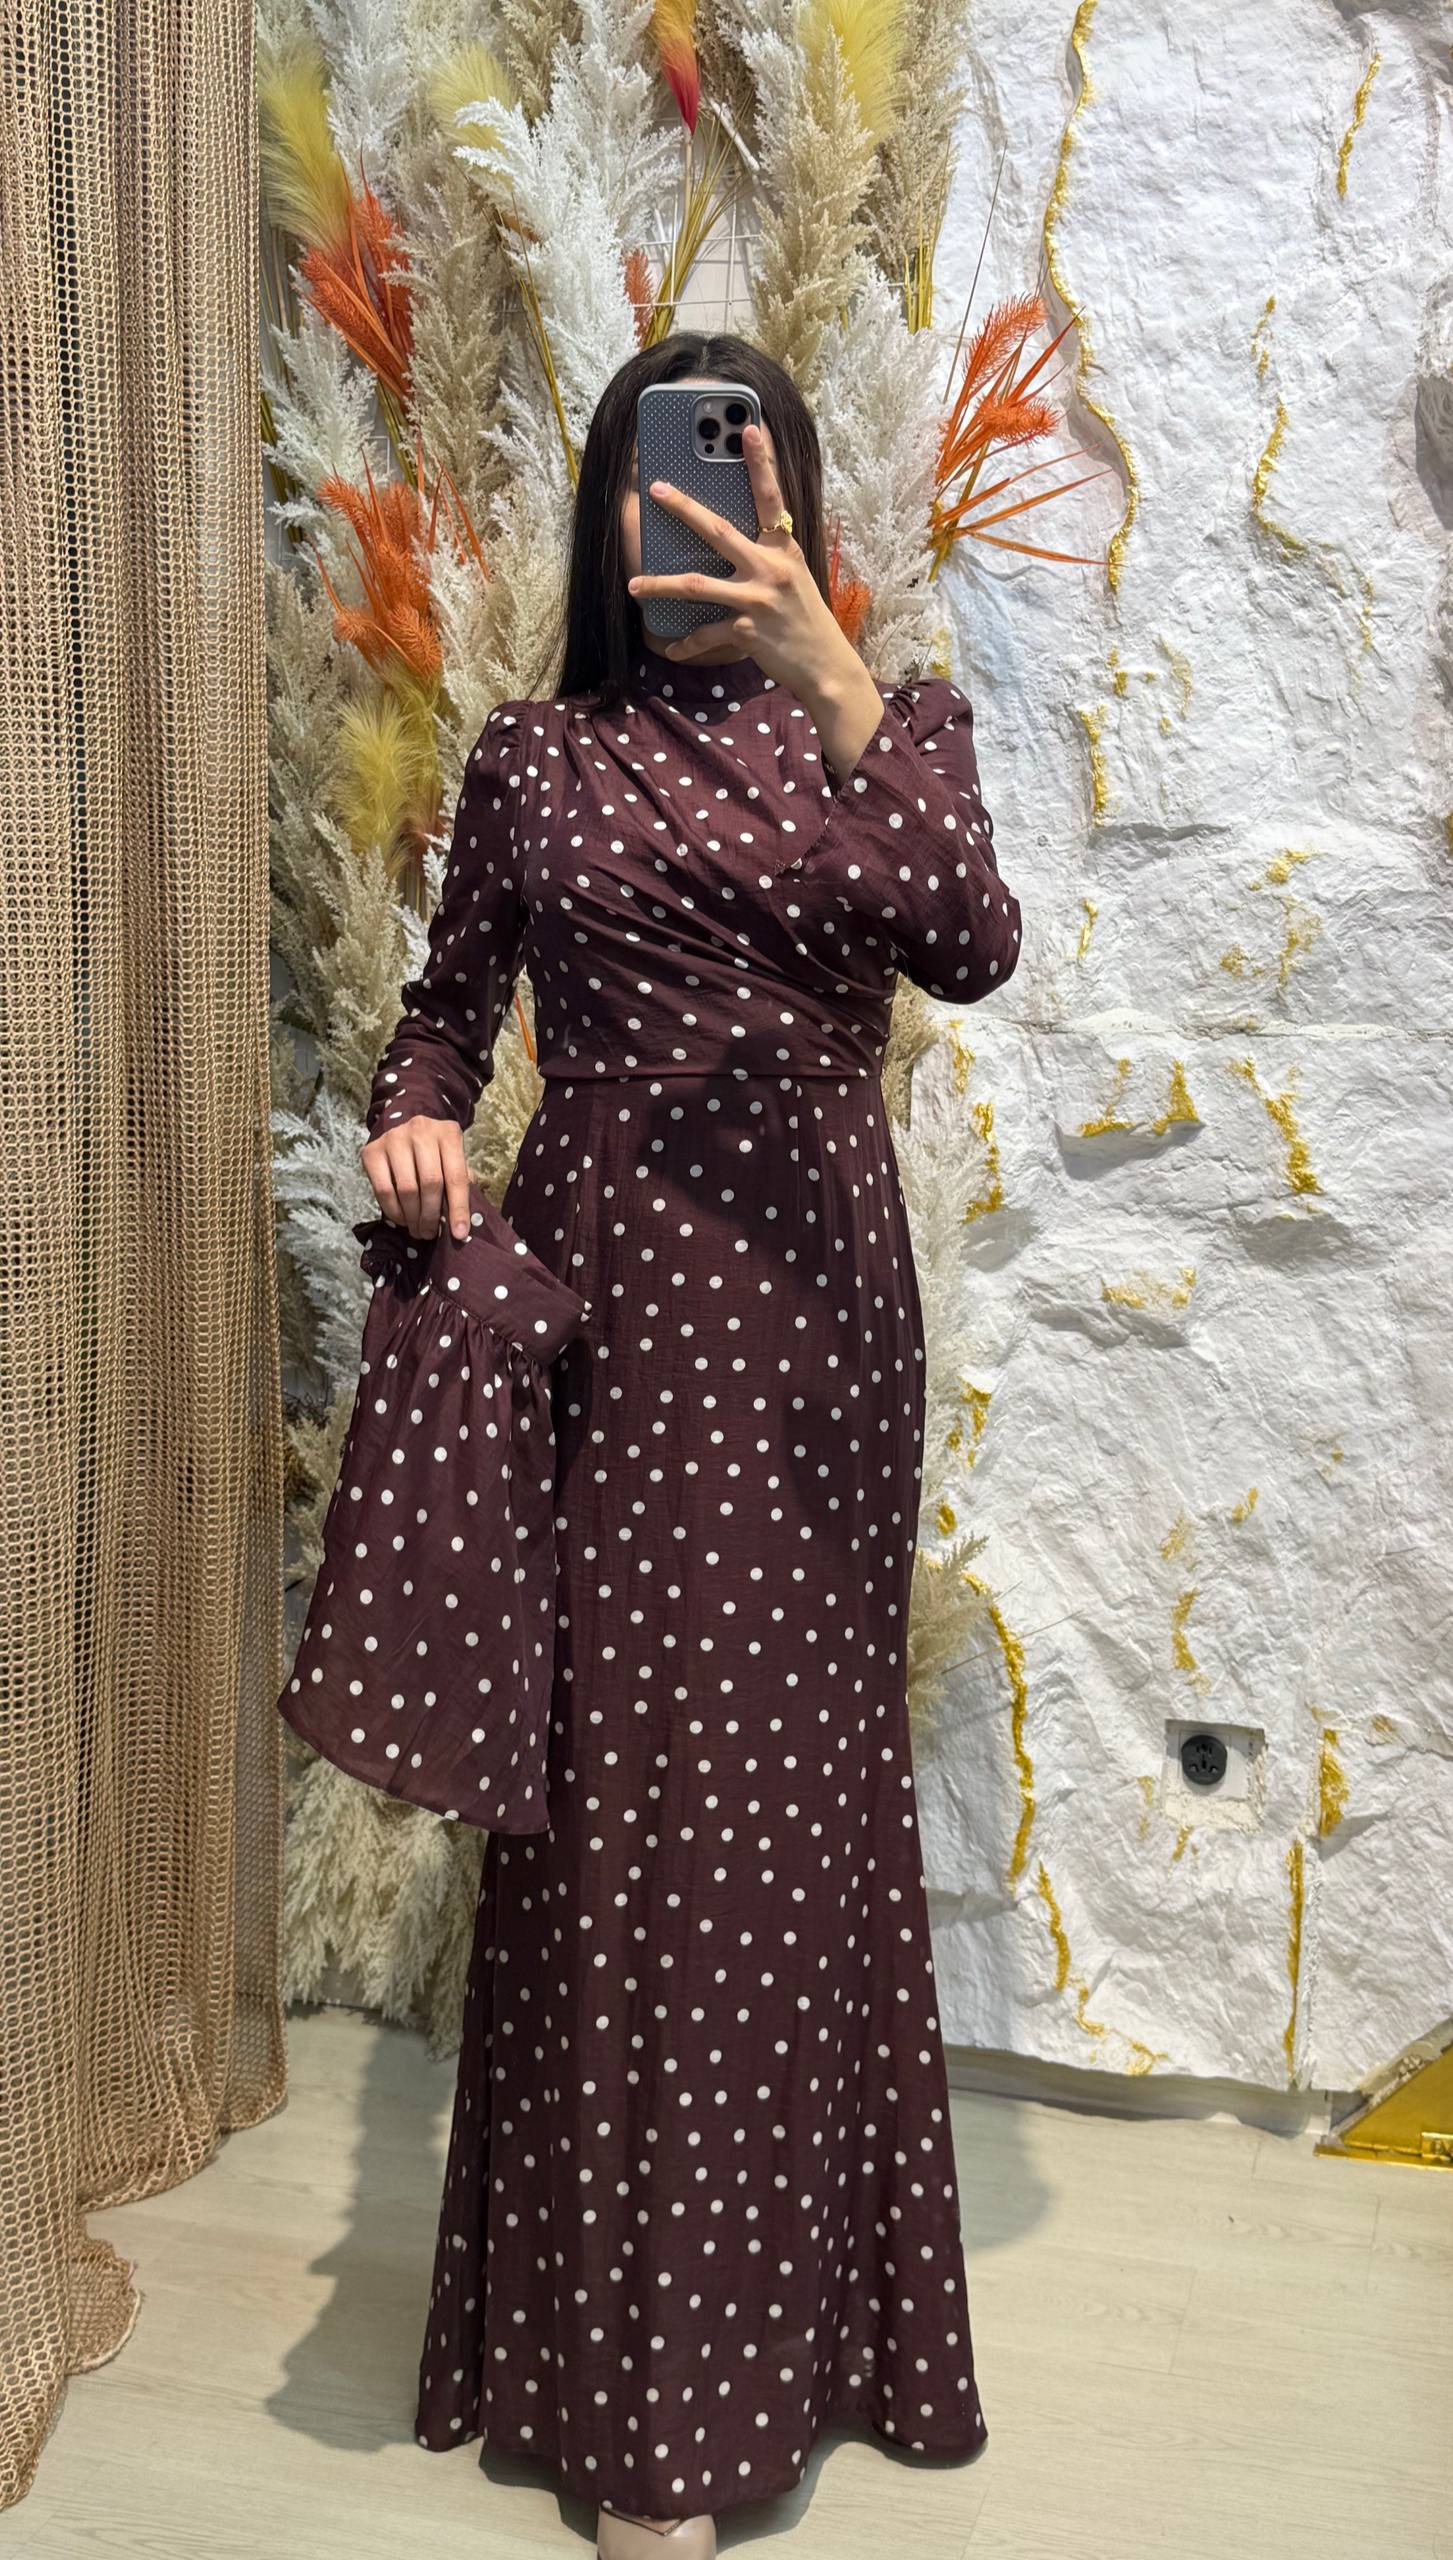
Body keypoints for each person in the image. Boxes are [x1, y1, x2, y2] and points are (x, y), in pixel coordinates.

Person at [361, 332, 1022, 2559]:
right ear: (607, 512)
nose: (696, 520)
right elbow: (444, 1012)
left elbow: (973, 940)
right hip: (609, 1320)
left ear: (797, 510)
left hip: (816, 1335)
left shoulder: (894, 733)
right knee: (619, 1818)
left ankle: (780, 2354)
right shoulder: (533, 757)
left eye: (739, 484)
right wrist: (418, 1118)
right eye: (661, 483)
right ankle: (628, 2376)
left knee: (786, 1823)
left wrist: (838, 671)